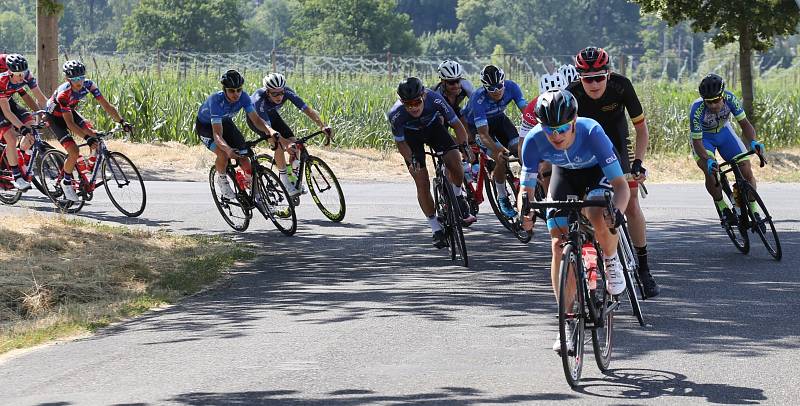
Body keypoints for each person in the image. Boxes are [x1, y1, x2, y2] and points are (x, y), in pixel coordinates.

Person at [518, 89, 630, 352]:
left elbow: (621, 186)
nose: (556, 136)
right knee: (558, 243)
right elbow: (526, 188)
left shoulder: (592, 133)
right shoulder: (535, 140)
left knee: (597, 214)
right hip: (564, 175)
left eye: (562, 129)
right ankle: (565, 324)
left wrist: (618, 214)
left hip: (596, 174)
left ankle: (611, 260)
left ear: (574, 121)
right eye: (550, 130)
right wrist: (525, 214)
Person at [565, 46, 659, 298]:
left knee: (631, 204)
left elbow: (641, 129)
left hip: (618, 145)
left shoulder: (622, 86)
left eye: (599, 77)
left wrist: (638, 162)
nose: (594, 84)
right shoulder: (571, 94)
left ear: (608, 74)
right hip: (587, 152)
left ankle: (644, 268)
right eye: (587, 79)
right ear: (579, 78)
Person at [387, 76, 476, 248]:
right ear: (401, 102)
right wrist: (410, 159)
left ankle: (458, 197)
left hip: (435, 129)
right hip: (411, 139)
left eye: (417, 102)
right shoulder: (396, 114)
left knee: (456, 163)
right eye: (408, 104)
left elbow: (457, 125)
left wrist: (464, 145)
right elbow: (401, 143)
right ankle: (435, 228)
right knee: (421, 181)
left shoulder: (435, 98)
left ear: (424, 96)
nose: (413, 107)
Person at [45, 60, 132, 202]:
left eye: (81, 78)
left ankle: (87, 171)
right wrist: (86, 138)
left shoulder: (89, 85)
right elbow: (70, 124)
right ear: (68, 79)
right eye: (75, 79)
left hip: (69, 112)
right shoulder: (64, 94)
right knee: (74, 151)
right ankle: (66, 182)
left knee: (95, 134)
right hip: (55, 118)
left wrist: (122, 121)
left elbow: (106, 105)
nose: (79, 82)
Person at [690, 73, 764, 227]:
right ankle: (722, 207)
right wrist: (708, 159)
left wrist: (753, 142)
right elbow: (697, 142)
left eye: (716, 100)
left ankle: (753, 207)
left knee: (746, 169)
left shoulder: (731, 99)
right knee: (711, 171)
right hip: (704, 139)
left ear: (723, 96)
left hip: (724, 132)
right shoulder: (696, 110)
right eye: (708, 102)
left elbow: (745, 124)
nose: (713, 105)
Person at [195, 69, 280, 200]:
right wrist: (228, 150)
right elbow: (217, 135)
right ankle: (222, 179)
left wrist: (270, 130)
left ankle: (254, 191)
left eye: (239, 90)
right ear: (224, 90)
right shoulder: (216, 101)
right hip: (206, 126)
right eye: (231, 90)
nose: (236, 94)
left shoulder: (244, 97)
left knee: (244, 156)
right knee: (223, 153)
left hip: (226, 122)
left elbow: (256, 119)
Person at [247, 72, 332, 196]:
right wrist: (284, 143)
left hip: (272, 115)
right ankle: (284, 180)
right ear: (267, 92)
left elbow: (307, 110)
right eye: (274, 93)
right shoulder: (259, 100)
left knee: (295, 142)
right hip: (258, 120)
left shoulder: (287, 92)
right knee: (278, 144)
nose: (279, 96)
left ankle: (293, 175)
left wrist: (322, 125)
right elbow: (269, 129)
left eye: (281, 92)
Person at [463, 65, 527, 218]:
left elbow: (527, 112)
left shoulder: (512, 87)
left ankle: (528, 185)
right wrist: (498, 150)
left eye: (499, 86)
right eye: (492, 89)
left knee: (521, 149)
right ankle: (502, 196)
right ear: (485, 88)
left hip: (499, 121)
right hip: (478, 128)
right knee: (500, 158)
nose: (497, 91)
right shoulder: (478, 99)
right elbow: (484, 134)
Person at [0, 54, 48, 191]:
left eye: (23, 73)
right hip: (2, 104)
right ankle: (17, 176)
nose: (22, 77)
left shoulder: (26, 75)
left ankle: (22, 158)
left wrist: (47, 113)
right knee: (10, 136)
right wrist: (21, 128)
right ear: (9, 72)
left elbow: (40, 98)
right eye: (18, 75)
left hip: (7, 100)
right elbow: (7, 112)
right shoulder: (2, 80)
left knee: (32, 126)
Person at [431, 60, 475, 127]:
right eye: (451, 82)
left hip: (455, 110)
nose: (456, 85)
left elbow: (476, 103)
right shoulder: (436, 94)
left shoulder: (466, 85)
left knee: (469, 131)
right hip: (441, 115)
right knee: (440, 125)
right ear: (443, 81)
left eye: (458, 80)